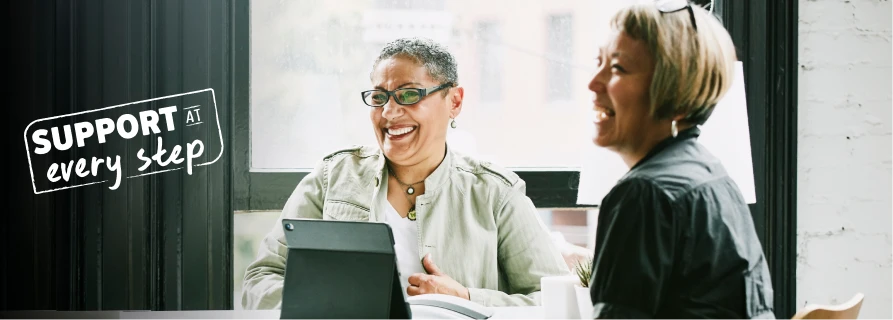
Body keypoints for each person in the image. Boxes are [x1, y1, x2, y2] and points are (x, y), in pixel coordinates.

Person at [241, 37, 570, 310]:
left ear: (454, 101)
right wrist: (322, 308)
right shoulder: (333, 177)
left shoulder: (496, 192)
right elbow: (262, 278)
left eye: (409, 94)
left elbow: (552, 301)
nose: (388, 112)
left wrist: (469, 298)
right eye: (379, 97)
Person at [584, 2, 775, 319]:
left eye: (617, 68)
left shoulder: (645, 194)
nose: (593, 82)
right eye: (598, 62)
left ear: (673, 90)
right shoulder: (713, 175)